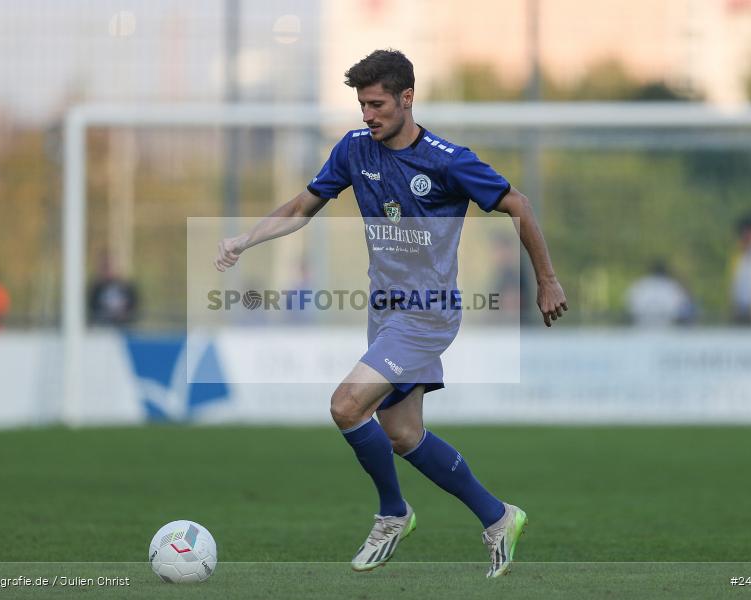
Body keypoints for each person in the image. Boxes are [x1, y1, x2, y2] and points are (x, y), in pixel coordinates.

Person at [214, 49, 567, 578]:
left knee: (345, 405)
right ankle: (498, 517)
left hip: (426, 316)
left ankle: (393, 512)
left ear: (407, 98)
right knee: (402, 433)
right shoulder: (355, 149)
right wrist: (246, 239)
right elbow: (302, 207)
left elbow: (518, 204)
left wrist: (546, 279)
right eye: (361, 104)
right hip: (384, 313)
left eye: (377, 104)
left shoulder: (447, 160)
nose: (367, 115)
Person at [625, 260, 695, 326]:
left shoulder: (640, 284)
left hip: (640, 327)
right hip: (670, 327)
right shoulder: (672, 285)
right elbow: (685, 309)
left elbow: (628, 307)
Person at [88, 252, 139, 326]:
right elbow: (92, 308)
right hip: (102, 328)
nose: (108, 269)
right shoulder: (96, 289)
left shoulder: (127, 287)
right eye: (105, 266)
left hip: (124, 328)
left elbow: (134, 307)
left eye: (110, 265)